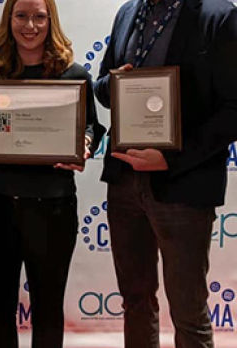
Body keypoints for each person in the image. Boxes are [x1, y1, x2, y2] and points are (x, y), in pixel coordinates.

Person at [94, 0, 237, 347]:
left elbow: (233, 108)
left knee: (188, 310)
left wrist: (173, 159)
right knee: (135, 301)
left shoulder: (219, 15)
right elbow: (102, 87)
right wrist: (113, 84)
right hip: (124, 178)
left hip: (184, 183)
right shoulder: (128, 12)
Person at [0, 0, 106, 347]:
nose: (30, 25)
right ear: (9, 19)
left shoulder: (73, 75)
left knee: (48, 307)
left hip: (53, 206)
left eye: (39, 17)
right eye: (21, 16)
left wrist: (86, 144)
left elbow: (92, 125)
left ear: (50, 21)